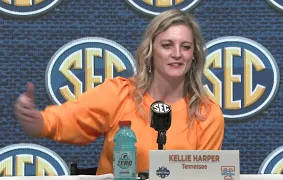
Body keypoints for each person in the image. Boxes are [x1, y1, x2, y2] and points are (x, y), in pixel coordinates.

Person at [14, 9, 224, 175]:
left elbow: (205, 174)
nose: (177, 54)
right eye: (167, 45)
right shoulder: (120, 94)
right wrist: (39, 122)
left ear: (194, 56)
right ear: (151, 51)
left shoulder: (207, 114)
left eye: (186, 47)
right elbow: (69, 120)